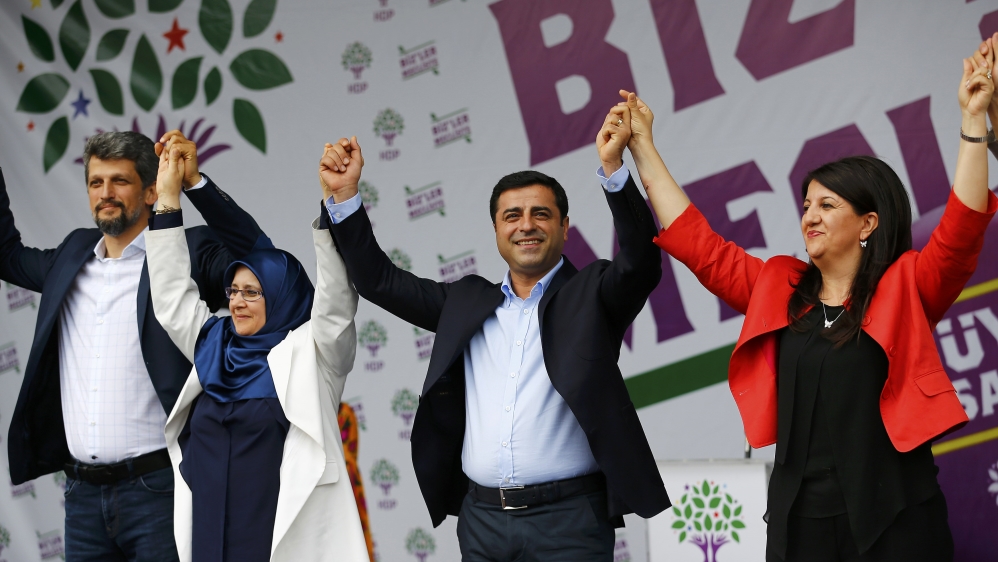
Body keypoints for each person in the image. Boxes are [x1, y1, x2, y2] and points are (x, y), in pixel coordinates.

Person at [611, 47, 996, 561]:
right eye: (807, 205)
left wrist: (974, 119)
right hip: (799, 525)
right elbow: (697, 244)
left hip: (897, 515)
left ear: (869, 222)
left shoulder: (907, 285)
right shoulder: (779, 286)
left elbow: (961, 230)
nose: (810, 216)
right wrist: (642, 147)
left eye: (828, 205)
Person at [317, 120, 670, 561]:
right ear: (496, 230)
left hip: (569, 522)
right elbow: (380, 281)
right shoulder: (465, 300)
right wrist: (345, 195)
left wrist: (613, 168)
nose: (527, 226)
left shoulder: (593, 294)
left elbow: (641, 262)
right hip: (482, 520)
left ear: (564, 226)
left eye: (541, 214)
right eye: (512, 216)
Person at [0, 131, 253, 561]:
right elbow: (5, 254)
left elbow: (258, 258)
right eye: (96, 183)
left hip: (159, 490)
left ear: (153, 190)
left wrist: (196, 185)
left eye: (119, 181)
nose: (105, 194)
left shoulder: (188, 252)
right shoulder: (71, 254)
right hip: (81, 496)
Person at [145, 143, 368, 561]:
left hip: (278, 538)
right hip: (210, 536)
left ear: (282, 298)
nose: (237, 301)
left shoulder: (313, 354)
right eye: (233, 290)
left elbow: (336, 302)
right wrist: (168, 201)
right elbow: (171, 294)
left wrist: (336, 204)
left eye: (253, 292)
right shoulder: (213, 343)